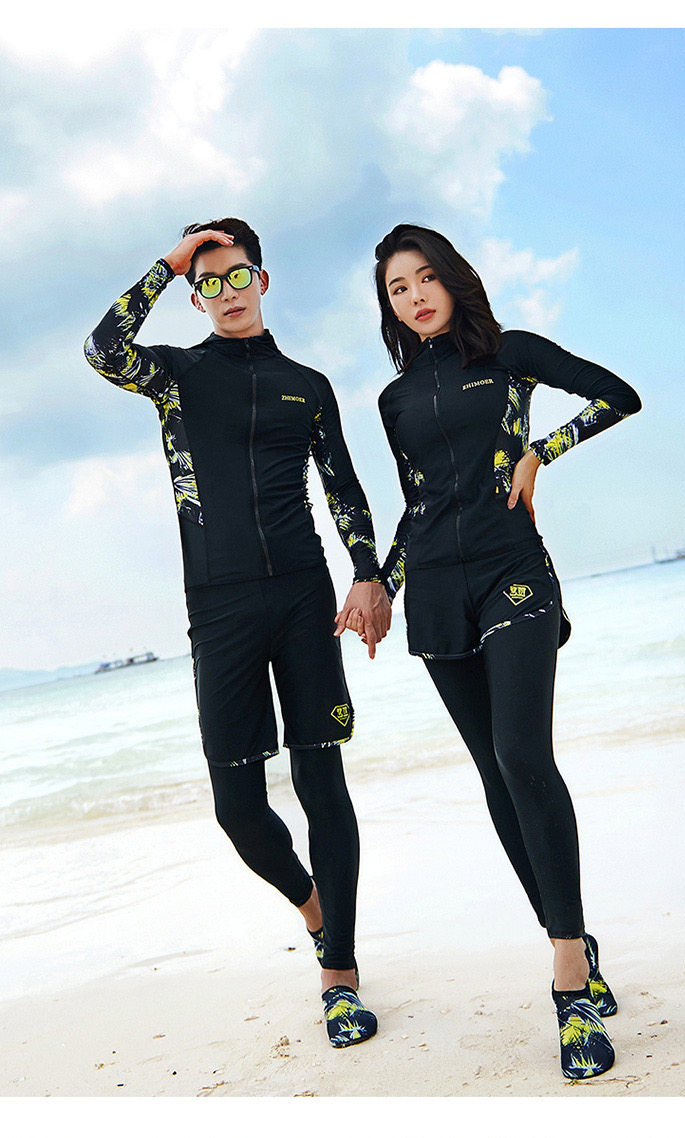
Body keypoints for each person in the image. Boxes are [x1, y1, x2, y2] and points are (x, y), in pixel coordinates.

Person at [339, 223, 641, 1079]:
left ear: (453, 279)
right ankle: (571, 936)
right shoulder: (395, 400)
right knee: (494, 774)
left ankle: (570, 987)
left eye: (425, 278)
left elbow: (617, 396)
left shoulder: (511, 354)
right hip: (437, 592)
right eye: (398, 289)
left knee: (523, 756)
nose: (415, 296)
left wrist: (542, 451)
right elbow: (418, 504)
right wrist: (380, 582)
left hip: (515, 573)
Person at [84, 218, 391, 1048]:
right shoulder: (175, 375)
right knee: (238, 808)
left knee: (323, 784)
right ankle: (317, 912)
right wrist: (168, 262)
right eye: (209, 283)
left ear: (263, 279)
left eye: (238, 275)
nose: (226, 293)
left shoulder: (307, 385)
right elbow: (102, 349)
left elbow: (344, 487)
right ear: (195, 297)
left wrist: (370, 574)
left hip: (303, 597)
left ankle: (339, 975)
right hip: (217, 606)